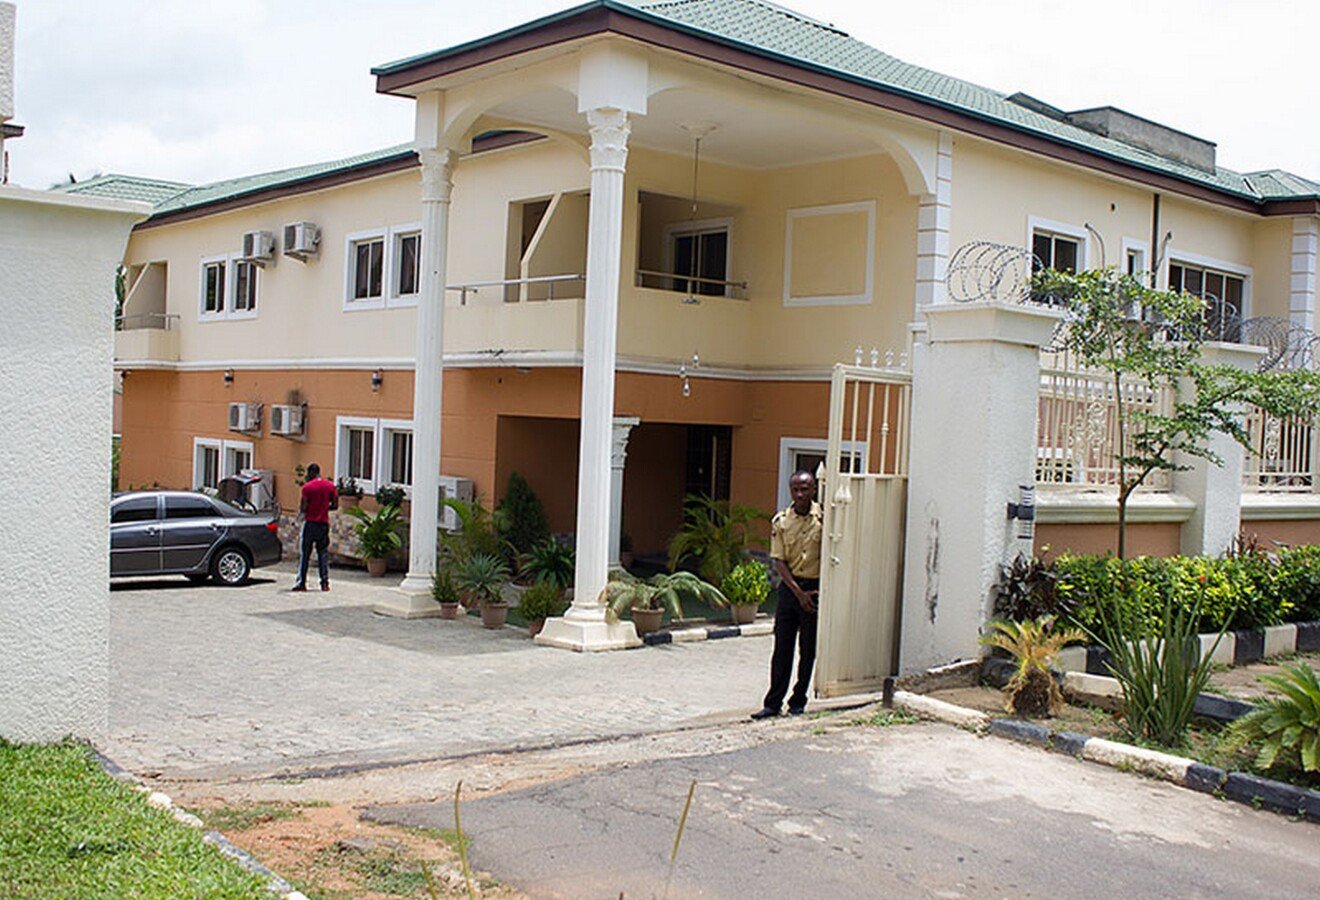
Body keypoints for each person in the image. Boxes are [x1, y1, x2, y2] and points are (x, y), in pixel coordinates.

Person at [751, 469, 824, 719]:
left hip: (815, 589)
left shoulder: (824, 520)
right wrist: (797, 593)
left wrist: (811, 594)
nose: (800, 494)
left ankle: (798, 699)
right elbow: (779, 561)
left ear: (813, 489)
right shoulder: (781, 521)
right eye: (796, 489)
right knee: (782, 648)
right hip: (790, 590)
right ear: (790, 490)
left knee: (808, 649)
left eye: (805, 489)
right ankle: (772, 703)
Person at [293, 463, 337, 592]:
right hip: (323, 524)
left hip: (311, 523)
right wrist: (324, 508)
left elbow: (303, 508)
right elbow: (335, 505)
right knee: (322, 554)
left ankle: (302, 583)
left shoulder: (307, 488)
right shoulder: (330, 486)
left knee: (305, 554)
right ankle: (324, 583)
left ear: (310, 473)